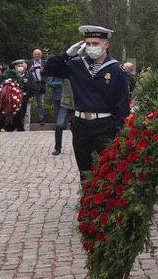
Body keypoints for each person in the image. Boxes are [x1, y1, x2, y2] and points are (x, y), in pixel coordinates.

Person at [44, 25, 130, 179]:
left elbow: (122, 105)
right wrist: (67, 54)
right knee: (84, 169)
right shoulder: (77, 65)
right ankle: (87, 201)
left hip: (104, 126)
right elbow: (48, 69)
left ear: (106, 45)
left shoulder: (116, 69)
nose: (91, 47)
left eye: (95, 44)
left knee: (104, 169)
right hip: (80, 125)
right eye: (88, 44)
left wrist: (118, 131)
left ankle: (101, 202)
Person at [52, 77, 72, 156]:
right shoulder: (63, 73)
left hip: (77, 103)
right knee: (59, 125)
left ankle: (81, 147)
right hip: (65, 103)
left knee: (78, 127)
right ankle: (57, 148)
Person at [28, 49, 46, 122]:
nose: (37, 55)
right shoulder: (29, 63)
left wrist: (43, 71)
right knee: (30, 103)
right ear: (33, 55)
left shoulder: (44, 63)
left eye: (38, 54)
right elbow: (24, 73)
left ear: (41, 55)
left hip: (41, 85)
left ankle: (41, 119)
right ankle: (29, 119)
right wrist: (30, 70)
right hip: (32, 85)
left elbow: (49, 73)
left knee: (41, 103)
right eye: (35, 54)